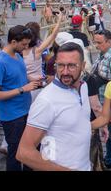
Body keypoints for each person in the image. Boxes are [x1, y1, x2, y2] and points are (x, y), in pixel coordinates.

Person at [16, 43, 91, 171]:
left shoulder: (83, 86)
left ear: (83, 66)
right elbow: (24, 152)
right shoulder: (47, 100)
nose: (65, 72)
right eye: (60, 65)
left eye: (72, 66)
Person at [0, 26, 42, 171]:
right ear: (12, 41)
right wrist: (23, 89)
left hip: (25, 110)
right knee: (16, 152)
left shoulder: (17, 55)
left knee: (30, 147)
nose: (26, 47)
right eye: (23, 44)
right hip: (12, 116)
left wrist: (33, 79)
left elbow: (20, 75)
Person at [90, 29, 111, 169]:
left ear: (109, 41)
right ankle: (109, 159)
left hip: (109, 106)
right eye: (95, 42)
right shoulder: (102, 55)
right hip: (101, 103)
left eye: (99, 42)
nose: (97, 45)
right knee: (108, 135)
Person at [23, 14, 64, 101]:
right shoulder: (37, 51)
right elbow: (53, 35)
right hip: (37, 85)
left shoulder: (18, 52)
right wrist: (59, 20)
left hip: (24, 86)